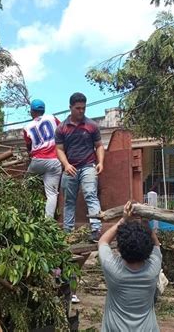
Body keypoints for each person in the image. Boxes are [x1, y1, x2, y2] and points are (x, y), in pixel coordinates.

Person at [98, 201, 162, 332]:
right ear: (147, 248)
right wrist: (145, 221)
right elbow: (156, 244)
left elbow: (103, 241)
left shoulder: (113, 270)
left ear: (120, 248)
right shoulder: (153, 269)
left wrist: (123, 219)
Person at [55, 92, 104, 241]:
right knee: (69, 201)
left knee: (90, 195)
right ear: (70, 108)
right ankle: (68, 232)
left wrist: (101, 162)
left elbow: (99, 146)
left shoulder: (91, 126)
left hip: (88, 166)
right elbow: (59, 149)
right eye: (78, 108)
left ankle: (96, 230)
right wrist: (66, 164)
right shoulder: (62, 128)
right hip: (71, 168)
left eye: (83, 108)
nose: (81, 111)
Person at [23, 99, 62, 219]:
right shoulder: (52, 118)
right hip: (54, 162)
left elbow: (29, 147)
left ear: (32, 112)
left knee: (25, 185)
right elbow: (62, 131)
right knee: (51, 194)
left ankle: (25, 214)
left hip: (37, 161)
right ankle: (48, 222)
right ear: (43, 110)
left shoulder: (27, 127)